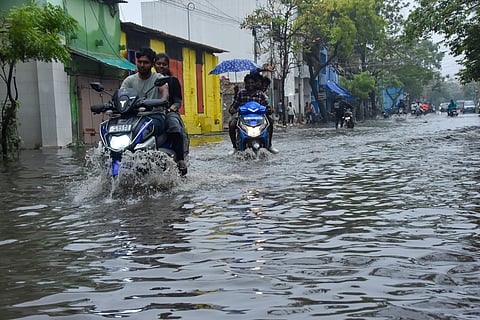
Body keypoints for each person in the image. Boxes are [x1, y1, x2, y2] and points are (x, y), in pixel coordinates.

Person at [121, 48, 188, 175]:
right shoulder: (129, 81)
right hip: (134, 117)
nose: (142, 65)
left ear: (151, 63)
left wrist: (166, 103)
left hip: (156, 115)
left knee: (174, 126)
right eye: (139, 62)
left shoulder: (161, 79)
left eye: (145, 62)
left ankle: (180, 160)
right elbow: (121, 95)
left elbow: (168, 96)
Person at [153, 52, 189, 175]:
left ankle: (180, 160)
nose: (161, 66)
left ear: (168, 66)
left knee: (174, 126)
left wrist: (172, 108)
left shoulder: (173, 81)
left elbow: (178, 101)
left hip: (168, 112)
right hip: (149, 113)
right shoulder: (150, 79)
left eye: (164, 64)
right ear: (154, 64)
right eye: (158, 63)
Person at [228, 74, 277, 154]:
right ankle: (235, 147)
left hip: (259, 119)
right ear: (245, 84)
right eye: (248, 83)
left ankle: (270, 145)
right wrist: (232, 110)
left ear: (255, 84)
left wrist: (270, 110)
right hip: (243, 119)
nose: (250, 84)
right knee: (232, 124)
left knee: (270, 122)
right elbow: (234, 106)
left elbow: (267, 106)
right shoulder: (241, 93)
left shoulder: (260, 94)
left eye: (252, 83)